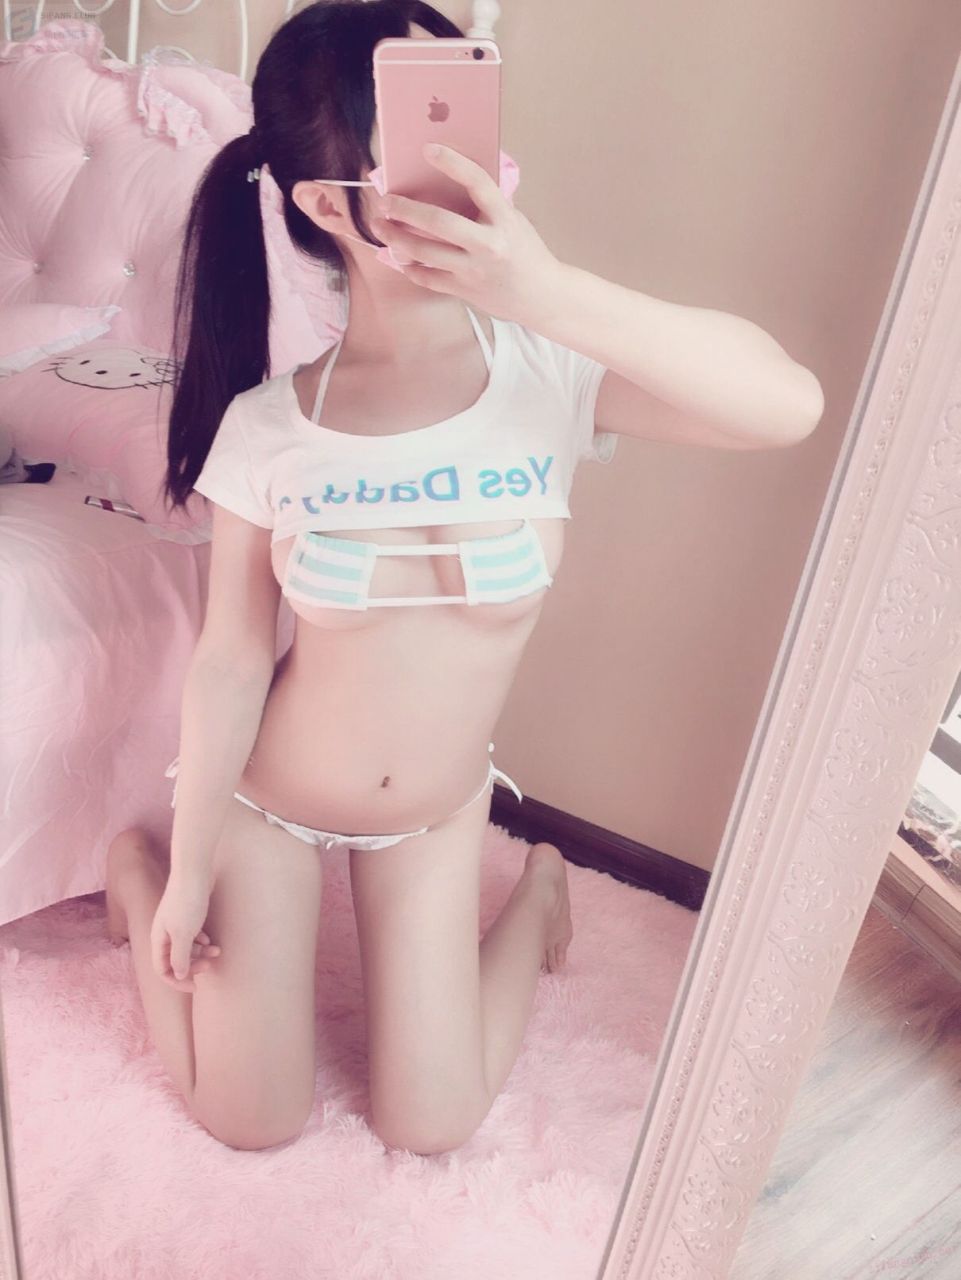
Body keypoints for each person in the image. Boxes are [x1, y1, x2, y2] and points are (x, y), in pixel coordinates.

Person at [104, 0, 822, 1158]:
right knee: (250, 1119)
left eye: (472, 130)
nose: (467, 176)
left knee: (430, 1123)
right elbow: (231, 660)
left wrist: (543, 291)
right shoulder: (270, 426)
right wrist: (186, 873)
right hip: (270, 804)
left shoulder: (549, 372)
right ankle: (129, 871)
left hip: (434, 813)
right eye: (418, 147)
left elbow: (786, 405)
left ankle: (534, 889)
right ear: (328, 206)